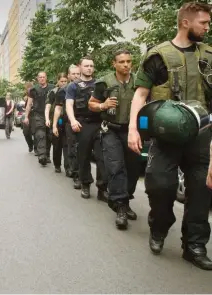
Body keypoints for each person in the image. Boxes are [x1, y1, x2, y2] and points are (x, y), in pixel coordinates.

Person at [128, 2, 212, 270]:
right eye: (204, 23)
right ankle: (159, 227)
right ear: (186, 23)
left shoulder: (209, 56)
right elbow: (140, 94)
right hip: (166, 135)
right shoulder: (158, 55)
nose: (207, 28)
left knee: (200, 192)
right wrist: (133, 128)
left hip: (202, 135)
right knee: (159, 186)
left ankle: (195, 245)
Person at [88, 49, 139, 230]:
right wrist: (103, 104)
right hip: (111, 129)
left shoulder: (139, 81)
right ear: (114, 64)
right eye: (122, 62)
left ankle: (126, 200)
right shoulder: (104, 83)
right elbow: (91, 104)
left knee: (133, 168)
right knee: (116, 167)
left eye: (128, 61)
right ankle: (120, 208)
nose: (126, 65)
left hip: (132, 130)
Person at [65, 57, 108, 200]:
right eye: (86, 66)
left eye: (91, 66)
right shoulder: (73, 86)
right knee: (83, 156)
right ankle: (85, 184)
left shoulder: (100, 84)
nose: (89, 68)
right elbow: (69, 105)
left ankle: (102, 188)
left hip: (99, 123)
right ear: (80, 67)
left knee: (102, 157)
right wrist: (72, 120)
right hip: (82, 124)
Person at [54, 65, 81, 179]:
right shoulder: (63, 91)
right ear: (69, 75)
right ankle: (74, 172)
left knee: (82, 148)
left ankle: (80, 171)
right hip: (68, 122)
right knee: (71, 147)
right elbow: (58, 108)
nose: (76, 76)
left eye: (77, 74)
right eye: (73, 74)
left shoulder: (88, 87)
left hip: (85, 121)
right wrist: (54, 125)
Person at [24, 72, 54, 166]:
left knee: (49, 135)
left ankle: (47, 155)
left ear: (46, 78)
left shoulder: (52, 88)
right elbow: (29, 104)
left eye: (43, 77)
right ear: (37, 78)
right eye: (40, 77)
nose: (42, 79)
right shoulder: (33, 90)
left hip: (50, 115)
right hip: (39, 115)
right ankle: (42, 156)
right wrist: (26, 117)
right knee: (40, 134)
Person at [47, 73, 68, 173]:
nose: (63, 83)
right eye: (62, 81)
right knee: (57, 144)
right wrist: (48, 119)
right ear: (58, 81)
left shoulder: (70, 90)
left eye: (65, 81)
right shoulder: (53, 92)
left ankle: (68, 167)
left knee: (67, 145)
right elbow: (48, 105)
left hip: (67, 120)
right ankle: (57, 164)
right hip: (56, 120)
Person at [22, 82, 36, 153]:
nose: (28, 89)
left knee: (35, 132)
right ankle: (30, 145)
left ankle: (36, 148)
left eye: (30, 88)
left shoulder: (36, 94)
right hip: (28, 115)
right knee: (26, 132)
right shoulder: (26, 97)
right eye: (27, 88)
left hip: (35, 115)